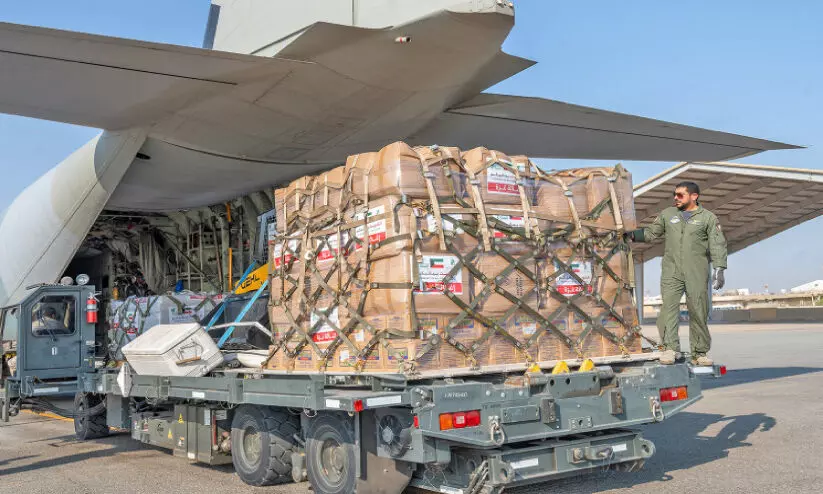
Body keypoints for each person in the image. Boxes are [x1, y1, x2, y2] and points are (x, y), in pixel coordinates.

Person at [630, 181, 727, 366]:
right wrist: (631, 235)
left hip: (696, 271)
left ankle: (700, 353)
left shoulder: (707, 218)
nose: (675, 198)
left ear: (694, 196)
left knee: (698, 310)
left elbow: (717, 244)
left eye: (680, 195)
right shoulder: (668, 215)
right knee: (668, 309)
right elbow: (651, 233)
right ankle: (670, 349)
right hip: (671, 270)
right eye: (674, 194)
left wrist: (719, 269)